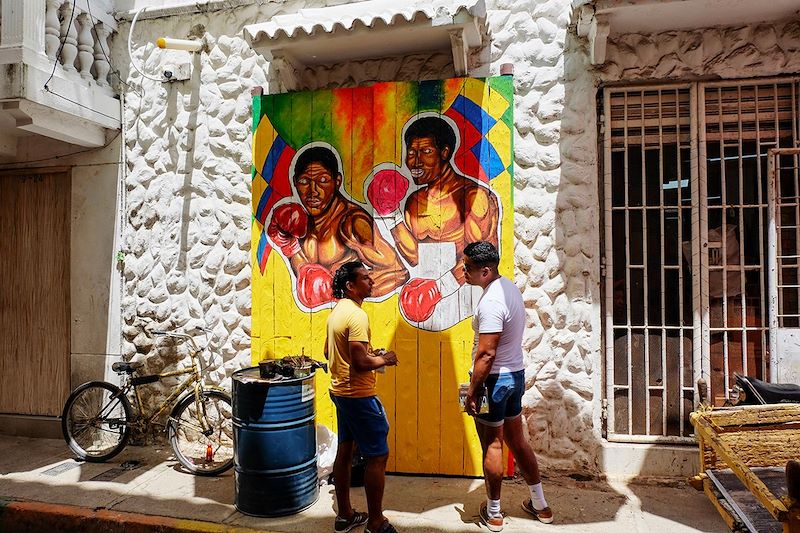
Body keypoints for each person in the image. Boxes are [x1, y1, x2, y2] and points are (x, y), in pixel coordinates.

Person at [368, 116, 500, 330]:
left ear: (445, 152)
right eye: (411, 153)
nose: (415, 161)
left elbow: (480, 258)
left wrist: (439, 288)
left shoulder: (473, 197)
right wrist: (391, 214)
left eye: (425, 152)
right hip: (423, 306)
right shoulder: (413, 202)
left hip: (464, 307)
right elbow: (415, 256)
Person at [462, 241, 553, 531]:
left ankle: (494, 512)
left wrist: (473, 391)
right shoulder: (509, 288)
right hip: (514, 376)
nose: (463, 272)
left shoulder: (490, 303)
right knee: (517, 439)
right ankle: (540, 505)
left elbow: (486, 354)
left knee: (493, 443)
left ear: (485, 271)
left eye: (469, 268)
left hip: (494, 381)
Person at [268, 144, 408, 309]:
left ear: (337, 181)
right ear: (295, 183)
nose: (313, 191)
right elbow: (309, 279)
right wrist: (288, 244)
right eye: (305, 181)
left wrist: (344, 292)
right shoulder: (298, 225)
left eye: (323, 180)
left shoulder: (352, 223)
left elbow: (397, 272)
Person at [325, 261, 399, 533]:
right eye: (366, 278)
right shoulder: (357, 316)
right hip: (358, 395)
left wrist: (370, 355)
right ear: (350, 285)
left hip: (341, 392)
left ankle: (344, 515)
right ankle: (376, 522)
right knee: (378, 456)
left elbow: (328, 352)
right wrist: (384, 359)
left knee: (345, 451)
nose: (372, 282)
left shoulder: (337, 312)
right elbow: (358, 363)